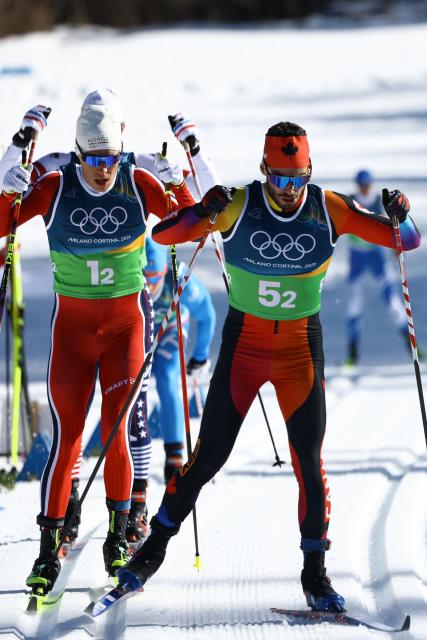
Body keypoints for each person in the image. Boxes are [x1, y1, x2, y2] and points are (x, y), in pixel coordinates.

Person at [116, 121, 420, 613]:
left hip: (300, 351)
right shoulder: (239, 203)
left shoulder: (330, 208)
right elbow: (167, 233)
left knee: (309, 466)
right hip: (245, 349)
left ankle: (315, 576)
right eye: (278, 179)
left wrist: (399, 213)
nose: (287, 190)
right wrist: (202, 210)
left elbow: (406, 241)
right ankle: (149, 555)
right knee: (205, 460)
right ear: (263, 171)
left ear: (310, 173)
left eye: (297, 179)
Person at [0, 95, 219, 548]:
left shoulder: (137, 180)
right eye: (93, 159)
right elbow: (4, 221)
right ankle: (57, 531)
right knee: (70, 436)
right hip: (74, 333)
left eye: (111, 158)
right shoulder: (57, 184)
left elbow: (194, 227)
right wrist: (6, 187)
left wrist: (178, 185)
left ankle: (126, 523)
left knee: (122, 427)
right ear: (78, 153)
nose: (103, 168)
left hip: (126, 327)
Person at [144, 237, 215, 482]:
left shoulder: (179, 277)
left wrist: (200, 355)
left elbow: (207, 315)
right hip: (137, 328)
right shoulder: (127, 271)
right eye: (145, 277)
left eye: (156, 276)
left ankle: (174, 456)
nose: (150, 285)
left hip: (169, 328)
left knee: (166, 377)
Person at [345, 169, 417, 365]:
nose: (365, 188)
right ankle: (352, 355)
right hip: (357, 259)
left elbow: (392, 230)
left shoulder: (379, 202)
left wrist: (396, 252)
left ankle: (413, 350)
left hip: (377, 257)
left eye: (367, 184)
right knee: (354, 305)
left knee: (394, 305)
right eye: (362, 185)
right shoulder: (352, 201)